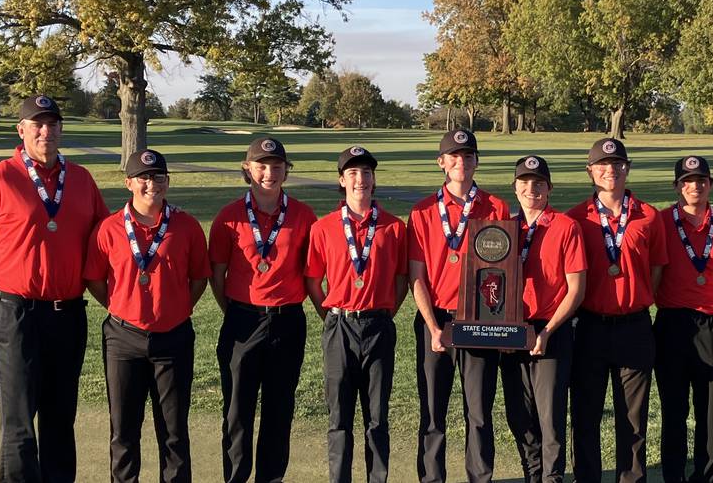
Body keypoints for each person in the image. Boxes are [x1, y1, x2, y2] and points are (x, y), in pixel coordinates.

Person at [0, 94, 109, 482]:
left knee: (61, 418)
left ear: (61, 129)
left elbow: (107, 239)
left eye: (53, 124)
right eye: (37, 124)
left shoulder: (81, 179)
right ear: (21, 130)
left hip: (68, 313)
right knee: (19, 421)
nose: (46, 131)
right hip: (16, 312)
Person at [83, 149, 210, 483]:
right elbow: (94, 279)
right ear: (128, 183)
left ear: (167, 182)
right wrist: (119, 304)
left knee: (173, 431)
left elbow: (200, 278)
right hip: (123, 339)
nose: (151, 183)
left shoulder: (187, 226)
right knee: (124, 431)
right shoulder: (109, 228)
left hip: (174, 338)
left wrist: (180, 306)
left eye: (158, 177)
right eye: (143, 177)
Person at [207, 137, 318, 483]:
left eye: (276, 166)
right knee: (238, 411)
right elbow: (216, 275)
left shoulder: (303, 215)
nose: (269, 173)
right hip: (243, 320)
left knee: (279, 409)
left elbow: (311, 270)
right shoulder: (228, 217)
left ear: (286, 170)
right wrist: (239, 310)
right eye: (261, 166)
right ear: (248, 169)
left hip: (287, 322)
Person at [407, 129, 511, 483]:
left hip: (480, 317)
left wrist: (496, 320)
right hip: (434, 319)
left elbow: (504, 271)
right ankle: (432, 478)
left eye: (468, 156)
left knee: (479, 412)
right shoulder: (422, 212)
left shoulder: (496, 207)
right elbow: (416, 277)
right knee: (433, 412)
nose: (461, 162)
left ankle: (479, 478)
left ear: (476, 161)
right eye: (453, 156)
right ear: (442, 163)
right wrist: (433, 327)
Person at [566, 137, 667, 483]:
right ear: (590, 171)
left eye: (617, 164)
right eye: (602, 165)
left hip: (634, 327)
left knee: (633, 419)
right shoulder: (576, 218)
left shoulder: (649, 216)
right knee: (585, 414)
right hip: (589, 327)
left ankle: (632, 479)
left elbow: (656, 270)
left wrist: (634, 297)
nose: (610, 170)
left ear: (627, 168)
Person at [305, 146, 409, 483]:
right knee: (340, 416)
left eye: (366, 173)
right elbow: (312, 280)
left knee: (377, 416)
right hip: (339, 325)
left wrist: (385, 311)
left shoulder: (394, 228)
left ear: (374, 179)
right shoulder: (323, 228)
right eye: (352, 173)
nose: (360, 179)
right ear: (341, 180)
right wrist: (332, 316)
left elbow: (402, 279)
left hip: (379, 324)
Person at [653, 155, 713, 483]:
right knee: (673, 408)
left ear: (710, 184)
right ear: (677, 186)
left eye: (701, 180)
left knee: (708, 409)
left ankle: (706, 475)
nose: (695, 186)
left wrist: (710, 301)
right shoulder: (661, 222)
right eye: (687, 181)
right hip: (671, 323)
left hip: (711, 324)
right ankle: (673, 476)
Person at [499, 155, 587, 483]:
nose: (531, 189)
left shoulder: (566, 227)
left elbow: (576, 290)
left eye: (538, 183)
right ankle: (531, 475)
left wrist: (548, 332)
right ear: (515, 188)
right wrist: (501, 330)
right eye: (524, 183)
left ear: (549, 188)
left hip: (552, 330)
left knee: (550, 417)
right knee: (519, 415)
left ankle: (552, 478)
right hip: (512, 332)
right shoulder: (504, 229)